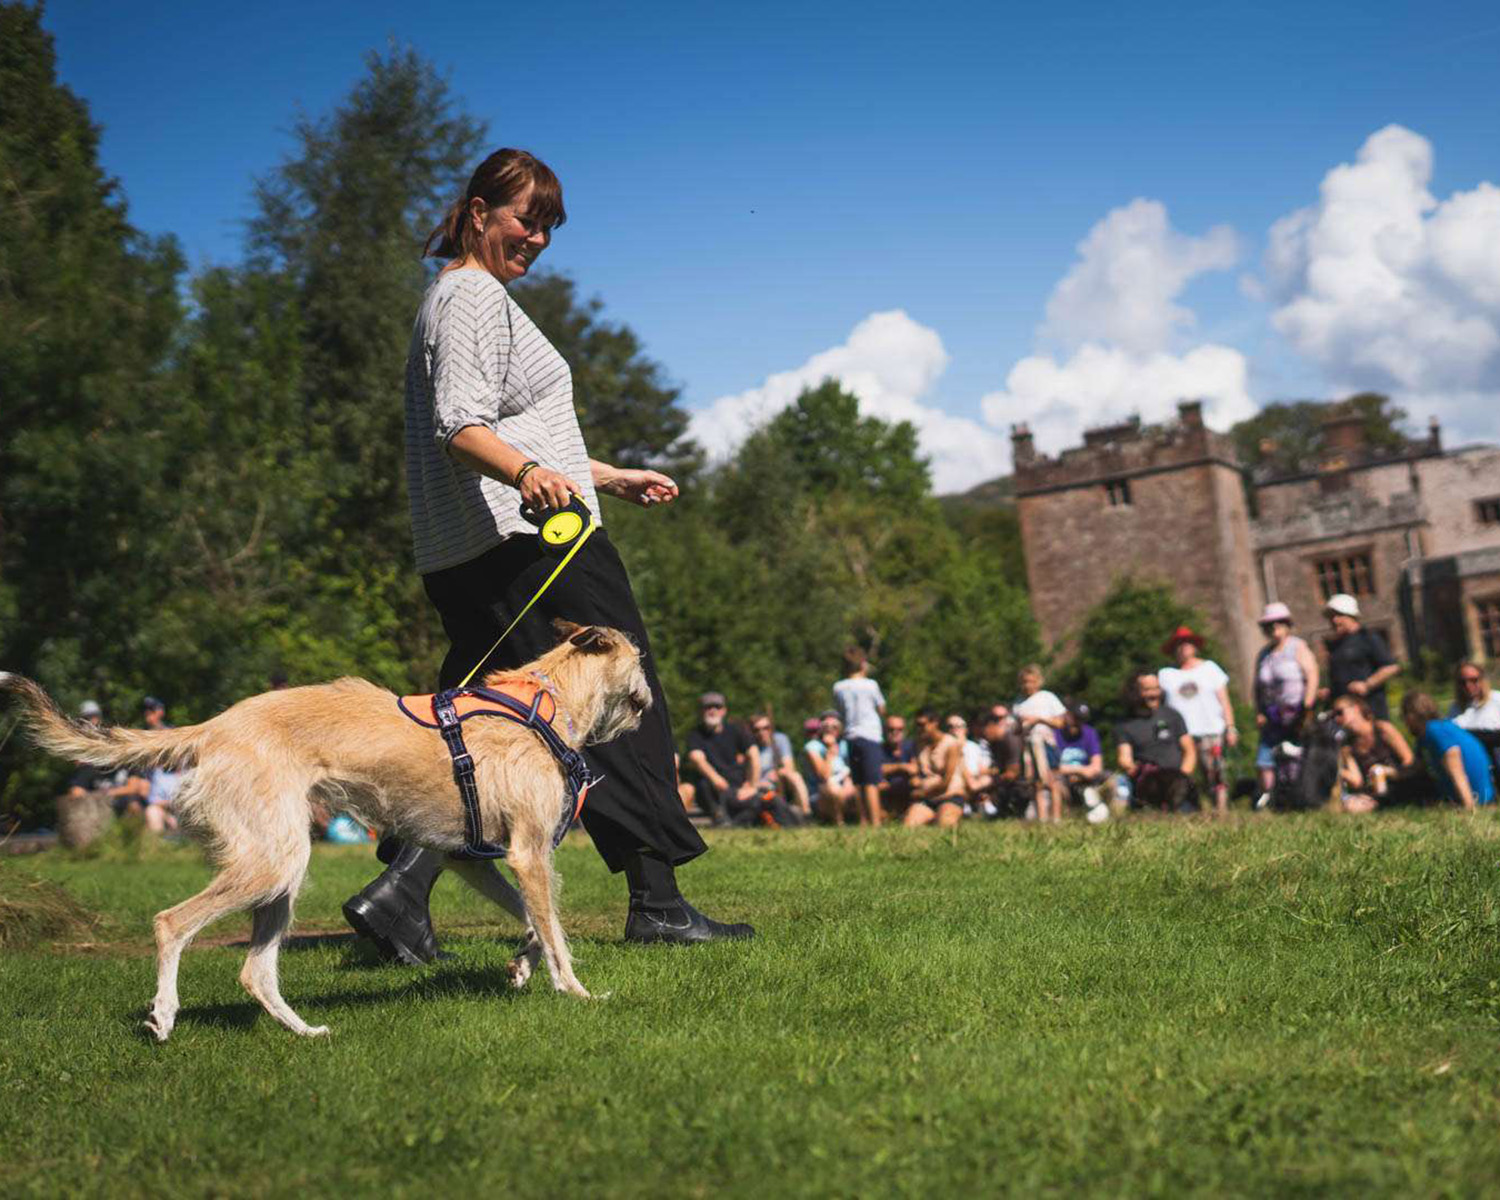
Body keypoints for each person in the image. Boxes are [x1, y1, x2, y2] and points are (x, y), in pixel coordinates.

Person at [343, 149, 750, 961]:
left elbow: (513, 428)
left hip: (474, 550)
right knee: (622, 699)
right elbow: (461, 427)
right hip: (531, 548)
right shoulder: (470, 296)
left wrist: (605, 474)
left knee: (486, 729)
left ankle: (402, 896)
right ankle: (658, 902)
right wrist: (530, 476)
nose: (535, 238)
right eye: (526, 218)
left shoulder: (455, 297)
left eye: (548, 227)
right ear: (477, 211)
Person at [1158, 626, 1237, 815]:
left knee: (1214, 771)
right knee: (1183, 774)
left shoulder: (1210, 669)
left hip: (1210, 730)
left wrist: (1231, 726)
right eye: (1179, 644)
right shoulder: (1167, 675)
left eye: (1187, 643)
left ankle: (1221, 810)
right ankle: (1187, 809)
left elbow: (1224, 700)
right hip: (1181, 734)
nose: (1183, 647)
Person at [1252, 602, 1320, 809]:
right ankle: (1271, 800)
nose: (1274, 628)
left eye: (1278, 623)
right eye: (1270, 624)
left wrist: (1307, 707)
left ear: (1286, 624)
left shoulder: (1297, 647)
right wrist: (1259, 711)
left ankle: (1302, 798)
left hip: (1296, 712)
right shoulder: (1264, 654)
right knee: (1265, 758)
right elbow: (1257, 687)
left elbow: (1312, 675)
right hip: (1272, 714)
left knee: (1298, 756)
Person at [1115, 671, 1199, 813]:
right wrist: (1131, 767)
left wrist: (1181, 778)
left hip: (1177, 784)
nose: (1154, 694)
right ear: (1135, 692)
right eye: (1147, 690)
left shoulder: (1172, 715)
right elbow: (1124, 757)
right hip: (1147, 788)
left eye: (1156, 688)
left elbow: (1189, 751)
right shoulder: (1124, 724)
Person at [1401, 691, 1494, 810]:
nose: (1404, 723)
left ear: (1411, 716)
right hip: (1460, 797)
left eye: (1404, 717)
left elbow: (1455, 769)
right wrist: (1387, 773)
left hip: (1476, 798)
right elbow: (1415, 768)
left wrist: (1469, 806)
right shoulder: (1427, 734)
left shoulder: (1436, 731)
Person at [1331, 695, 1419, 813]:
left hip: (1400, 783)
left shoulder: (1382, 729)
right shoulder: (1347, 745)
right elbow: (1357, 782)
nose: (1337, 719)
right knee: (1350, 806)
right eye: (1334, 715)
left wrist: (1387, 772)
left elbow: (1410, 762)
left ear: (1356, 708)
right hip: (1373, 793)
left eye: (1339, 712)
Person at [684, 693, 760, 827]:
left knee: (758, 800)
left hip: (738, 785)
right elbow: (696, 758)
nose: (712, 710)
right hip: (711, 788)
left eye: (717, 707)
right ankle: (720, 818)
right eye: (708, 707)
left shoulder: (736, 730)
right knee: (703, 785)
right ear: (701, 711)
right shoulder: (695, 734)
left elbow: (753, 753)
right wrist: (715, 779)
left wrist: (752, 785)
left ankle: (738, 822)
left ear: (724, 711)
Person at [1320, 593, 1399, 719]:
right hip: (1345, 713)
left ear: (1351, 615)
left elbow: (1390, 667)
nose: (1334, 620)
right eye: (1331, 617)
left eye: (1339, 615)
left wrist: (1367, 684)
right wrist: (1330, 692)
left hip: (1370, 709)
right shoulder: (1335, 645)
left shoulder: (1368, 638)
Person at [833, 647, 887, 826]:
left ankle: (862, 820)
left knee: (858, 781)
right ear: (863, 663)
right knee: (871, 781)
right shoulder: (871, 685)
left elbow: (840, 712)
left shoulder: (839, 687)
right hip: (870, 734)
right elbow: (881, 709)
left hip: (850, 735)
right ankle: (875, 822)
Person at [1014, 665, 1067, 821]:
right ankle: (1042, 819)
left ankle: (1056, 818)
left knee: (1053, 781)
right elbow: (1015, 730)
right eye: (1024, 682)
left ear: (1038, 681)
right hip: (1028, 746)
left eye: (1031, 681)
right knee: (1036, 783)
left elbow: (1060, 723)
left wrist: (1038, 719)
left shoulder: (1047, 697)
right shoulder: (1018, 702)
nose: (1027, 685)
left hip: (1046, 743)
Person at [903, 708, 966, 828]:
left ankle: (947, 815)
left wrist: (921, 793)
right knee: (908, 826)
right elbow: (916, 769)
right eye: (917, 725)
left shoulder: (951, 744)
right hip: (927, 799)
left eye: (922, 724)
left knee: (944, 826)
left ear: (935, 723)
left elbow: (946, 781)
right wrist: (914, 779)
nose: (919, 729)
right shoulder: (918, 744)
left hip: (949, 795)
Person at [1050, 702, 1107, 820]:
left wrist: (1081, 774)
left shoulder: (1090, 733)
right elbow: (1053, 768)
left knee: (1114, 779)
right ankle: (1059, 817)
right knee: (1055, 781)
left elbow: (1097, 766)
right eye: (1075, 718)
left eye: (1081, 719)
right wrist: (1079, 770)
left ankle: (1115, 813)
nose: (1077, 722)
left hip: (1086, 778)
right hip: (1063, 779)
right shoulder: (1054, 734)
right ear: (1067, 715)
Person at [750, 713, 811, 820]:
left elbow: (789, 766)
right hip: (759, 787)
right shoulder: (750, 746)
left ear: (771, 728)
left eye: (766, 728)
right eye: (757, 729)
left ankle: (806, 814)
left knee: (795, 776)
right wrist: (759, 783)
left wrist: (776, 773)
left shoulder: (780, 739)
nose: (762, 732)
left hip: (780, 782)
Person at [805, 711, 858, 824]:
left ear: (841, 729)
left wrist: (848, 781)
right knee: (830, 787)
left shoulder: (847, 744)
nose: (830, 729)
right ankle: (838, 822)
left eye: (834, 726)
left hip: (846, 787)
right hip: (820, 795)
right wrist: (830, 751)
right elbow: (824, 776)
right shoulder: (812, 747)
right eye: (825, 726)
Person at [1448, 661, 1500, 777]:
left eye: (1473, 680)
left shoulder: (1496, 700)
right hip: (1471, 770)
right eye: (1463, 682)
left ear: (1482, 680)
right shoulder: (1455, 709)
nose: (1468, 685)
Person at [139, 697, 181, 834]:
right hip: (158, 794)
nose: (148, 715)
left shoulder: (173, 734)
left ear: (160, 712)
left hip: (176, 792)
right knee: (153, 812)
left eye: (152, 711)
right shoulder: (142, 737)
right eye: (146, 712)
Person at [978, 707, 1028, 818]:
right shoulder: (995, 743)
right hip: (1004, 788)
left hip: (1018, 790)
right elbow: (997, 769)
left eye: (984, 730)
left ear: (991, 725)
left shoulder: (1011, 740)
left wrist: (988, 785)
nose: (984, 734)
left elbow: (1012, 774)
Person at [945, 712, 993, 816]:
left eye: (958, 726)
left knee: (987, 779)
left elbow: (982, 768)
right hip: (956, 780)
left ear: (965, 729)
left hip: (974, 779)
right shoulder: (944, 747)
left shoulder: (974, 747)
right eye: (950, 726)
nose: (954, 729)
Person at [876, 714, 919, 817]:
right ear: (885, 730)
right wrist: (901, 767)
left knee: (917, 783)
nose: (895, 732)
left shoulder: (912, 746)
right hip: (885, 790)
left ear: (904, 731)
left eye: (899, 729)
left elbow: (915, 769)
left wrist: (889, 769)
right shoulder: (878, 748)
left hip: (906, 788)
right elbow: (876, 769)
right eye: (891, 729)